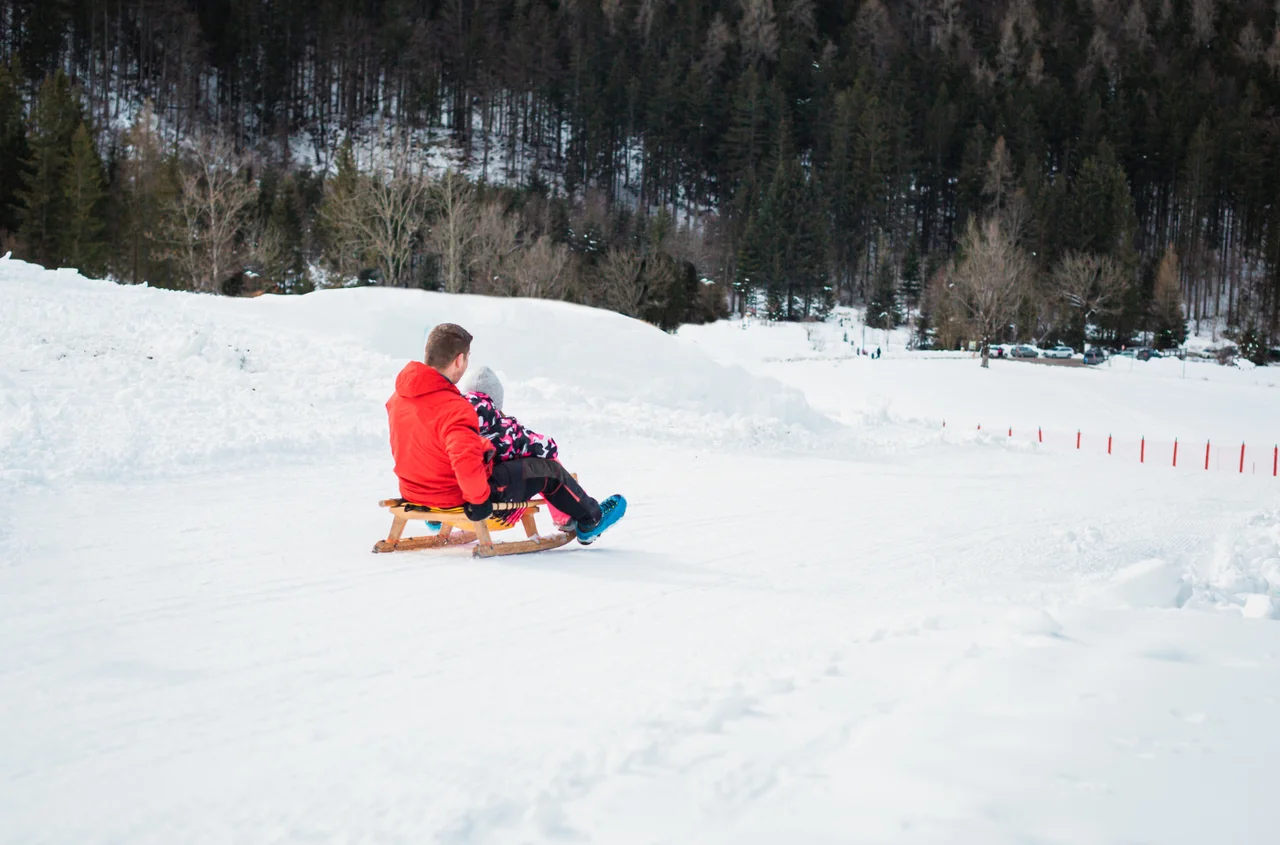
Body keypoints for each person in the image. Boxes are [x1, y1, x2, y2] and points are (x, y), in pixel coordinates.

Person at [386, 323, 625, 545]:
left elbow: (422, 445)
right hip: (459, 498)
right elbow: (465, 462)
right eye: (467, 359)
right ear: (459, 360)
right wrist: (479, 502)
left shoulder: (399, 399)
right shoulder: (455, 407)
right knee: (549, 470)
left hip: (415, 492)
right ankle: (589, 519)